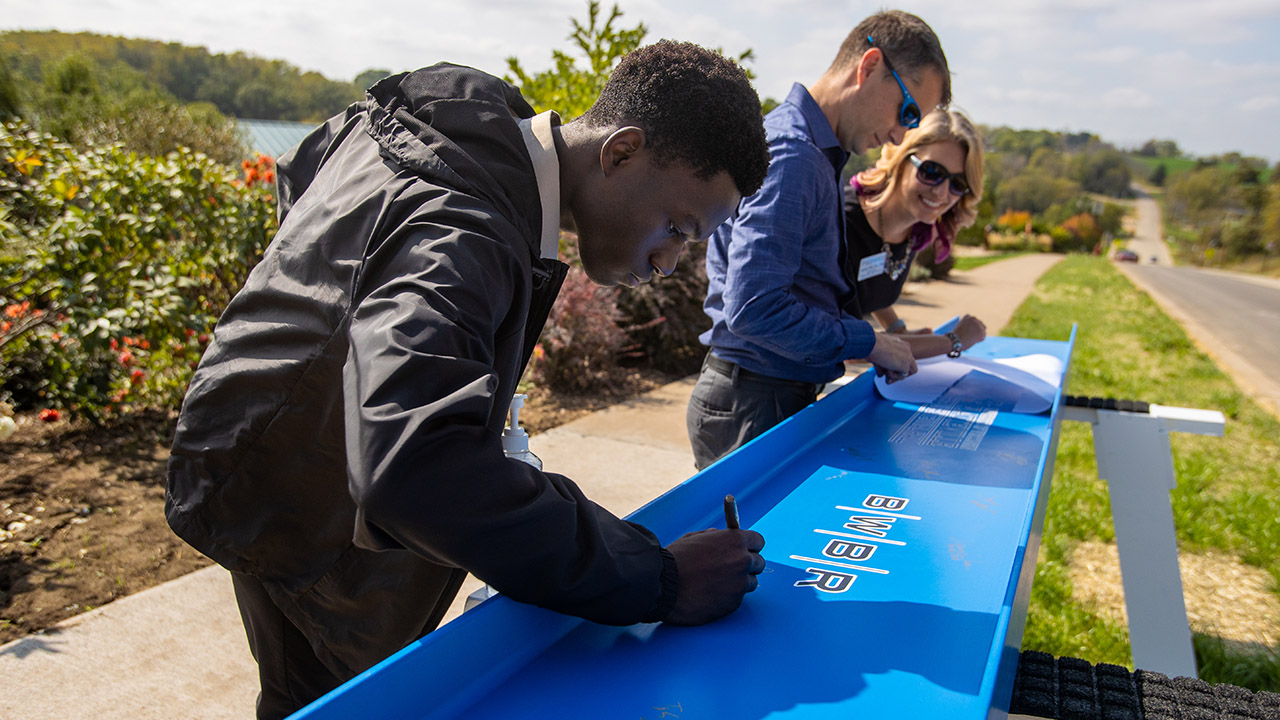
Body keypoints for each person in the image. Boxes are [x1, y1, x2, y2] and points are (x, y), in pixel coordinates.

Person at [166, 41, 770, 720]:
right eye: (679, 227)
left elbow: (305, 177)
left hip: (273, 453)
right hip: (306, 505)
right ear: (621, 152)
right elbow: (414, 464)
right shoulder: (467, 226)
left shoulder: (446, 130)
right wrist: (657, 578)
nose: (668, 261)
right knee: (333, 702)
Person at [687, 10, 949, 471]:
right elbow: (754, 308)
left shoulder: (816, 151)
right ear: (868, 67)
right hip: (755, 399)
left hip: (764, 395)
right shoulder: (795, 155)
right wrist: (867, 341)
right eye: (907, 112)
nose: (900, 135)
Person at [844, 107, 987, 359]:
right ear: (901, 160)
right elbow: (836, 342)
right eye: (932, 172)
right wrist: (953, 341)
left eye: (958, 183)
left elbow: (866, 282)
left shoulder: (916, 229)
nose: (942, 193)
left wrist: (897, 329)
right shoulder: (843, 223)